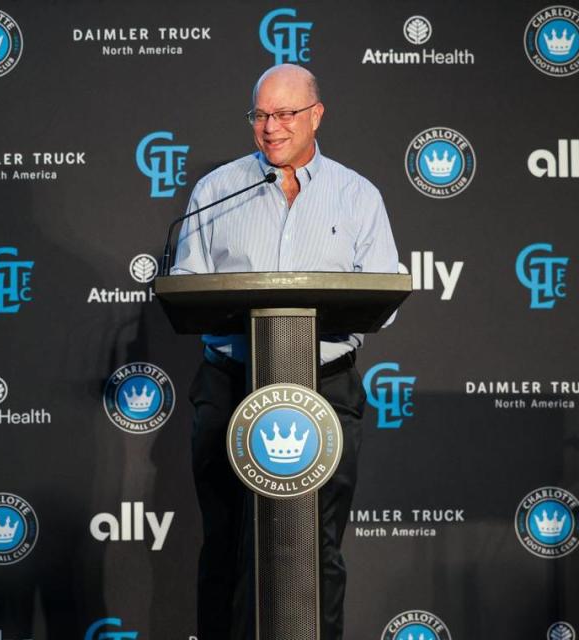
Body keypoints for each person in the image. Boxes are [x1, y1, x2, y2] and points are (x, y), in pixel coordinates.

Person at [171, 63, 398, 640]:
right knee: (226, 542)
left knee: (318, 546)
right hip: (230, 388)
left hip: (325, 388)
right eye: (260, 116)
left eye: (284, 114)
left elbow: (385, 299)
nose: (271, 128)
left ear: (316, 115)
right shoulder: (217, 191)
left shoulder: (358, 196)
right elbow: (187, 283)